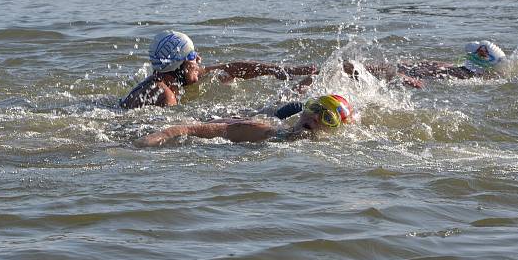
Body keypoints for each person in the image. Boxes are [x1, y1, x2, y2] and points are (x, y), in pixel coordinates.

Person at [120, 30, 318, 109]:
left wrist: (286, 71)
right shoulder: (164, 95)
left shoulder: (167, 78)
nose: (198, 58)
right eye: (192, 56)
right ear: (178, 64)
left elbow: (231, 68)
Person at [133, 94, 353, 147]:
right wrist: (160, 136)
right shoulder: (261, 131)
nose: (315, 116)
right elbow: (189, 128)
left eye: (327, 117)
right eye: (314, 108)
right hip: (218, 119)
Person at [344, 40, 507, 88]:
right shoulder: (464, 74)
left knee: (370, 68)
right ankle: (350, 69)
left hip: (410, 72)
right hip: (410, 73)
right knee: (379, 70)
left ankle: (348, 68)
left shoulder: (458, 70)